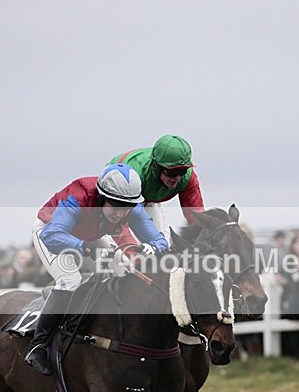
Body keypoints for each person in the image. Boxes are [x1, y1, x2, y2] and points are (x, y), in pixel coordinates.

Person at [27, 163, 169, 375]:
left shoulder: (130, 207)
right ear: (102, 197)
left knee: (121, 270)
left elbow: (159, 240)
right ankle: (38, 346)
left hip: (91, 235)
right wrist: (83, 247)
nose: (120, 214)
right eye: (116, 205)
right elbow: (52, 236)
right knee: (70, 279)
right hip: (50, 233)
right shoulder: (80, 197)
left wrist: (152, 247)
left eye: (126, 207)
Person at [107, 134, 204, 240]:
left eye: (182, 171)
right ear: (156, 167)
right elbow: (119, 220)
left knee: (161, 245)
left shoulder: (188, 178)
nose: (177, 177)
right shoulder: (135, 174)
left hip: (146, 199)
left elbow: (197, 220)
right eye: (173, 171)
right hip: (116, 198)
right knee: (122, 248)